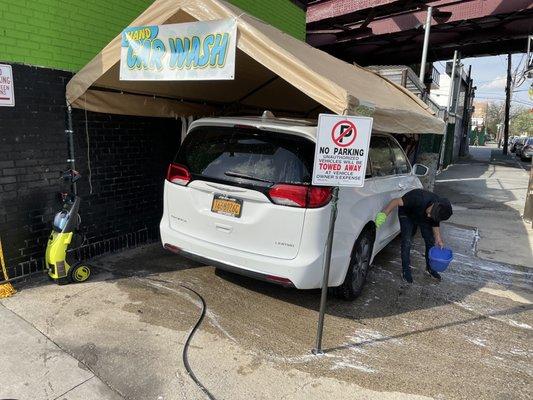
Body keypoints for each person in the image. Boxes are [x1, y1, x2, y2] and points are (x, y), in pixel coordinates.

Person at [375, 189, 453, 283]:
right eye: (430, 213)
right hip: (407, 214)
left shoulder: (437, 210)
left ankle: (430, 268)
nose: (429, 216)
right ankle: (406, 270)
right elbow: (396, 201)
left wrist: (438, 238)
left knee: (430, 241)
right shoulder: (417, 197)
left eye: (431, 216)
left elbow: (434, 223)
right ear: (433, 205)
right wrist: (384, 214)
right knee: (407, 241)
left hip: (422, 218)